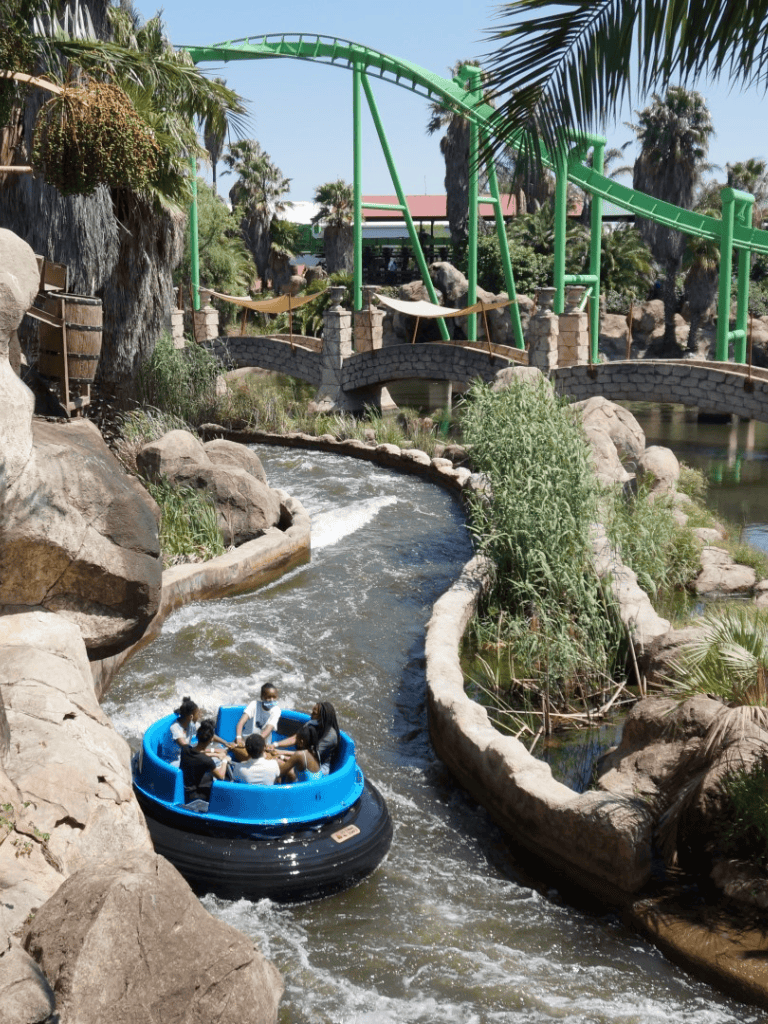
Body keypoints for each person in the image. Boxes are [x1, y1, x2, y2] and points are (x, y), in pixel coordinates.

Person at [272, 701, 340, 774]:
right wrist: (275, 745)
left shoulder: (330, 736)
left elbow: (311, 754)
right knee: (276, 758)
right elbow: (297, 737)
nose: (311, 714)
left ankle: (277, 777)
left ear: (322, 717)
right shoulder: (313, 723)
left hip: (319, 768)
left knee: (287, 759)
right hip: (303, 757)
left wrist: (281, 752)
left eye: (314, 713)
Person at [179, 718, 230, 803]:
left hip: (184, 788)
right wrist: (225, 760)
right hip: (196, 796)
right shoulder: (207, 761)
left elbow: (198, 754)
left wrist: (215, 753)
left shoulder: (185, 749)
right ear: (210, 740)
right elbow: (221, 776)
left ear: (197, 736)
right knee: (227, 779)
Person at [235, 683, 281, 748]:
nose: (272, 700)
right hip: (247, 740)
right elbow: (241, 722)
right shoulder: (254, 704)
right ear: (262, 697)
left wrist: (252, 744)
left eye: (274, 697)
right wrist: (239, 737)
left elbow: (267, 731)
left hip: (262, 744)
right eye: (269, 697)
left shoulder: (276, 710)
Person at [157, 697, 200, 766]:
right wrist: (208, 752)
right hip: (170, 762)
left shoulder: (191, 724)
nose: (199, 717)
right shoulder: (175, 728)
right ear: (191, 717)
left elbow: (206, 731)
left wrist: (224, 742)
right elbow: (185, 746)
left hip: (182, 757)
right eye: (198, 714)